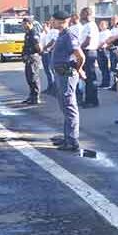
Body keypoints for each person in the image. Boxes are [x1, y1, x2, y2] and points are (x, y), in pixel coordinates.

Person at [50, 10, 85, 151]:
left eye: (53, 20)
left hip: (67, 74)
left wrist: (79, 68)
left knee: (69, 107)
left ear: (62, 21)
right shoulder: (62, 34)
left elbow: (80, 55)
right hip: (61, 74)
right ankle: (67, 137)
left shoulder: (69, 35)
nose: (51, 22)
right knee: (65, 106)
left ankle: (72, 140)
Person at [78, 7, 100, 108]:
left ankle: (92, 100)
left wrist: (79, 49)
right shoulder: (86, 25)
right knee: (88, 78)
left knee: (90, 77)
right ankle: (89, 99)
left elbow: (88, 41)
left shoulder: (90, 25)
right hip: (87, 51)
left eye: (82, 14)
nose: (80, 16)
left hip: (89, 52)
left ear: (86, 14)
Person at [21, 17, 43, 105]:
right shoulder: (27, 33)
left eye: (24, 24)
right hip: (28, 58)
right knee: (29, 78)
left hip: (33, 58)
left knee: (34, 77)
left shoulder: (34, 32)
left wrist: (35, 55)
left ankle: (36, 97)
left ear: (29, 23)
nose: (22, 26)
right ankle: (31, 96)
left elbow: (39, 47)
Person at [96, 20, 112, 89]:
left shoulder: (107, 32)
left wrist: (98, 46)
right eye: (100, 24)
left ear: (106, 25)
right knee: (101, 67)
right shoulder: (100, 33)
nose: (101, 26)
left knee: (105, 67)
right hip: (98, 50)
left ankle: (106, 83)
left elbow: (104, 42)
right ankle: (103, 82)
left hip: (103, 50)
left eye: (103, 24)